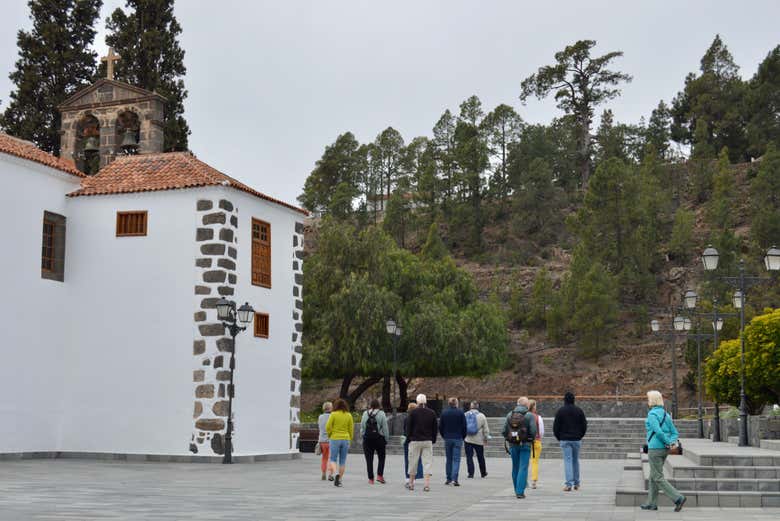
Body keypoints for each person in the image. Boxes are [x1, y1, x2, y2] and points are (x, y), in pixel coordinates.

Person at [641, 390, 686, 512]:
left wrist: (666, 441)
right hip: (664, 450)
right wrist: (671, 443)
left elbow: (658, 432)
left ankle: (678, 498)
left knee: (657, 476)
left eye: (648, 398)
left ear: (652, 400)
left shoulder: (652, 415)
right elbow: (674, 432)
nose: (647, 401)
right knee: (653, 476)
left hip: (655, 449)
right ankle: (651, 503)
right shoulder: (666, 415)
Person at [502, 396, 537, 499]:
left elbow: (504, 430)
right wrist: (530, 439)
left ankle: (516, 489)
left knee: (515, 467)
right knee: (523, 467)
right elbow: (534, 431)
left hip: (513, 445)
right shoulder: (529, 415)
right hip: (525, 444)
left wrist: (509, 438)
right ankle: (520, 491)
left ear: (517, 404)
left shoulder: (509, 415)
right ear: (527, 405)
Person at [553, 391, 587, 492]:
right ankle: (577, 484)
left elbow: (556, 427)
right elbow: (584, 425)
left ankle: (568, 484)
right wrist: (580, 436)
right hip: (576, 439)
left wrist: (560, 437)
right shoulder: (579, 411)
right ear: (574, 400)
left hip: (565, 439)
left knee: (568, 461)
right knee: (575, 461)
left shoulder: (560, 411)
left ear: (564, 400)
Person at [406, 393, 438, 492]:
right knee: (427, 463)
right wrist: (433, 439)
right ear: (426, 402)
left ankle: (411, 484)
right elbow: (435, 428)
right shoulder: (432, 412)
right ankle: (427, 485)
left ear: (417, 402)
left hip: (415, 440)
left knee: (413, 462)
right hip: (427, 440)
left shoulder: (413, 413)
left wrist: (409, 438)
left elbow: (409, 427)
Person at [325, 398, 354, 488]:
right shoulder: (349, 415)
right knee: (342, 461)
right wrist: (350, 439)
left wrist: (330, 435)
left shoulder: (333, 414)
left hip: (334, 438)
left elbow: (328, 427)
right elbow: (351, 429)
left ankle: (336, 473)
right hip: (345, 439)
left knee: (333, 459)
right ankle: (340, 480)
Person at [439, 397, 467, 486]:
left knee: (449, 459)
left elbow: (440, 426)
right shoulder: (461, 413)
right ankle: (455, 479)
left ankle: (448, 479)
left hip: (447, 438)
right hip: (458, 438)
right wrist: (463, 436)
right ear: (456, 403)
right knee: (456, 459)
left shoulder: (444, 413)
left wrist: (444, 436)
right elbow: (464, 427)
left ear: (449, 403)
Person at [360, 398, 389, 484]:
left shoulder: (365, 413)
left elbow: (362, 427)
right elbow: (385, 428)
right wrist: (386, 439)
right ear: (378, 405)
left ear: (370, 405)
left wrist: (364, 436)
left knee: (369, 459)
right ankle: (380, 476)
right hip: (379, 438)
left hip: (367, 439)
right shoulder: (381, 413)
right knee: (381, 458)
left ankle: (371, 479)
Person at [464, 401, 489, 479]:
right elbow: (486, 429)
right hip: (479, 440)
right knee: (480, 456)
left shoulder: (465, 415)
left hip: (468, 439)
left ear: (470, 407)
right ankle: (483, 473)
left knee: (469, 457)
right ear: (478, 407)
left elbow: (462, 426)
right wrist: (486, 438)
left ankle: (470, 473)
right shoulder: (482, 416)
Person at [403, 402, 424, 488]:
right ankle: (414, 477)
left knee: (407, 459)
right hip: (415, 440)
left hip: (408, 441)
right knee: (416, 459)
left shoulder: (406, 418)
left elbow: (405, 430)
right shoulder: (418, 419)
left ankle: (408, 477)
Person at [528, 399, 544, 489]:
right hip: (536, 441)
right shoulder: (538, 417)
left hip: (525, 442)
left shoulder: (524, 416)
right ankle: (534, 481)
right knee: (535, 462)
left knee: (524, 462)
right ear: (534, 407)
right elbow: (541, 432)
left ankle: (523, 480)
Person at [317, 401, 333, 481]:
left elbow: (320, 427)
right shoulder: (332, 416)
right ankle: (330, 474)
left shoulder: (320, 417)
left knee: (324, 458)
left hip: (322, 441)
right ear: (330, 408)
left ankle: (323, 474)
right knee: (332, 458)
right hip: (331, 440)